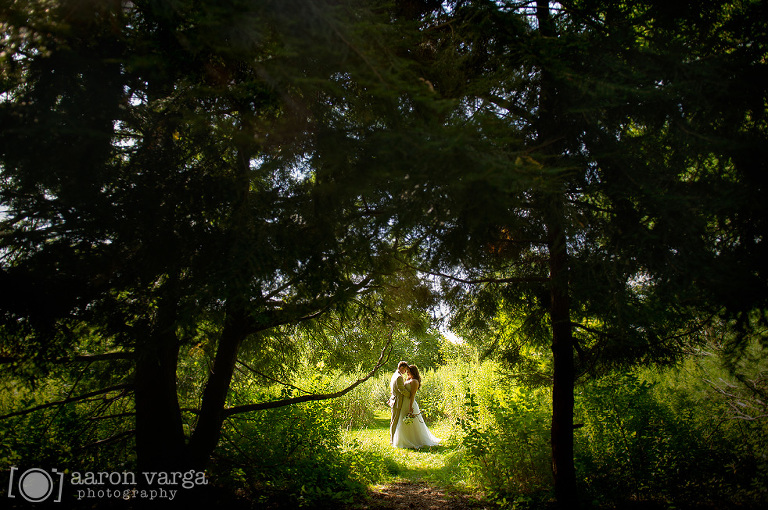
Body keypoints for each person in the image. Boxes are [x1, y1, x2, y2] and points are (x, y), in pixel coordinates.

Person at [392, 364, 441, 449]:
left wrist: (410, 407)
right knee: (402, 420)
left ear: (412, 372)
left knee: (411, 422)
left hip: (409, 403)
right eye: (406, 371)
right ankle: (403, 439)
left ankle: (414, 440)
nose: (407, 373)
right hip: (404, 403)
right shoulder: (409, 379)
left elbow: (412, 395)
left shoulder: (414, 381)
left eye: (408, 371)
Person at [389, 361, 410, 444]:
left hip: (394, 399)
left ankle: (393, 438)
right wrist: (410, 395)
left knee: (393, 420)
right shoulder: (398, 377)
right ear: (401, 368)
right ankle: (393, 440)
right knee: (395, 421)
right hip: (397, 401)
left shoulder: (395, 375)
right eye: (405, 370)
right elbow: (401, 390)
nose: (405, 372)